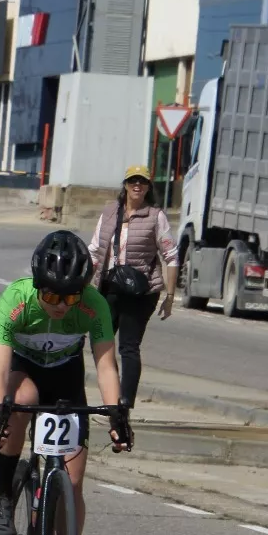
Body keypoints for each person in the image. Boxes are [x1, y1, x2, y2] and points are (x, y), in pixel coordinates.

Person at [0, 230, 131, 535]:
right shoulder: (15, 300)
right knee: (22, 402)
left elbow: (105, 365)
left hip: (66, 376)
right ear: (37, 286)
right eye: (51, 296)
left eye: (70, 297)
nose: (60, 304)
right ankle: (2, 491)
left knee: (74, 479)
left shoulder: (94, 305)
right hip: (22, 368)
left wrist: (117, 414)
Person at [87, 164, 179, 407]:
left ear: (149, 186)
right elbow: (95, 251)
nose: (137, 185)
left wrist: (169, 296)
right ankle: (112, 393)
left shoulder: (155, 216)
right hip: (109, 287)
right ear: (125, 185)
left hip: (141, 291)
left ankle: (124, 403)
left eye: (142, 181)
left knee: (129, 346)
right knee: (100, 342)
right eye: (132, 181)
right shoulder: (109, 212)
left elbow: (171, 255)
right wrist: (83, 287)